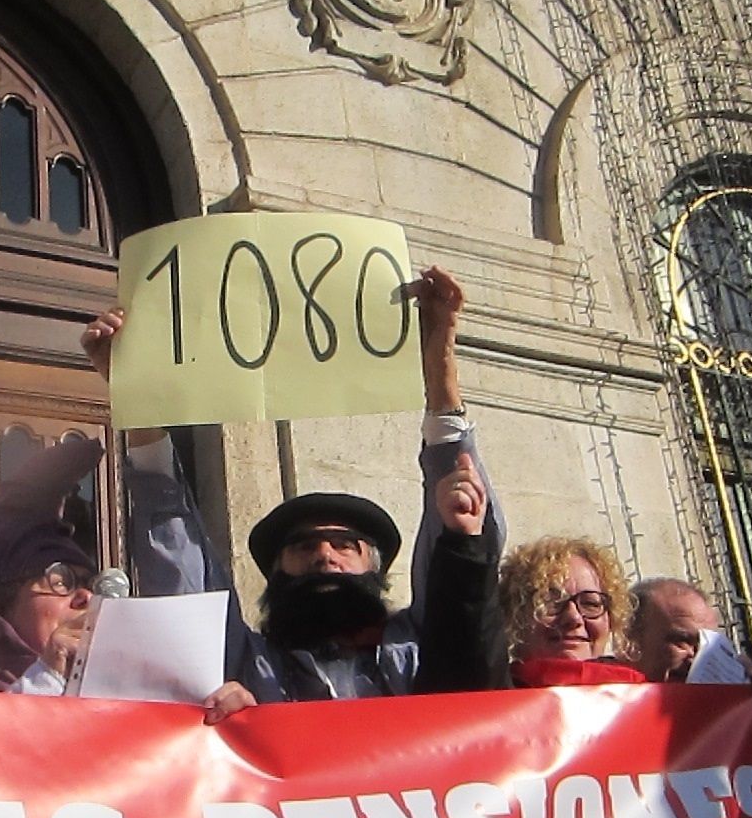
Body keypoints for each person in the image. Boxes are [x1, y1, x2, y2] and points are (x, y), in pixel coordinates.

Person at [82, 264, 505, 702]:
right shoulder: (248, 668)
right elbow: (180, 574)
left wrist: (440, 365)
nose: (324, 556)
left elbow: (464, 548)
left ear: (375, 569)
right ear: (275, 574)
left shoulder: (417, 651)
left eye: (345, 545)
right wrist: (138, 399)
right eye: (303, 547)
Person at [0, 434, 253, 722]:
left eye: (91, 584)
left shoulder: (145, 708)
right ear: (2, 605)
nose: (87, 597)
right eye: (61, 580)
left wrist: (227, 730)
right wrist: (47, 677)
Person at [499, 536, 641, 686]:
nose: (574, 618)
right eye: (550, 602)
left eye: (590, 604)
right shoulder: (488, 695)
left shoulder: (642, 700)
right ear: (513, 617)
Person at [627, 576, 720, 683]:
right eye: (683, 641)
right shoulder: (606, 694)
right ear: (629, 638)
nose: (697, 658)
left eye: (707, 646)